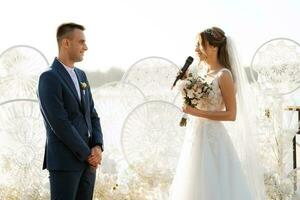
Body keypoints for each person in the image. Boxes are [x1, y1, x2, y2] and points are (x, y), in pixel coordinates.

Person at [170, 27, 265, 200]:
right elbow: (200, 100)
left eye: (200, 44)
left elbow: (231, 114)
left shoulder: (224, 75)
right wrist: (186, 85)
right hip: (195, 136)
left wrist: (195, 111)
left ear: (214, 47)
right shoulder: (203, 73)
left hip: (214, 139)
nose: (196, 49)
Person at [38, 22, 104, 200]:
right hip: (65, 163)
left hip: (88, 164)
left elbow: (92, 114)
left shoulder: (82, 75)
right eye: (81, 42)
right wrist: (87, 154)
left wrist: (97, 146)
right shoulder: (49, 77)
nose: (86, 47)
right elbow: (60, 124)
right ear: (66, 43)